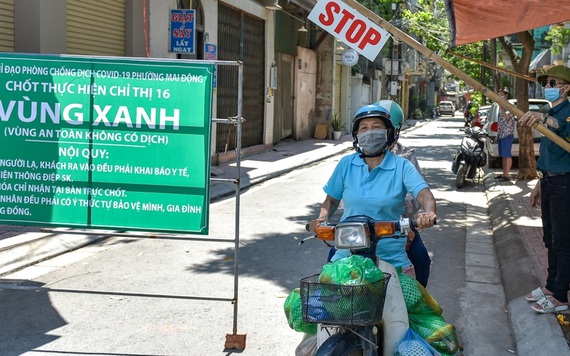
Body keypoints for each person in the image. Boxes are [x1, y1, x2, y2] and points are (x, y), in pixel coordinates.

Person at [308, 104, 437, 280]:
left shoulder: (402, 165)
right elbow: (331, 199)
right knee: (325, 302)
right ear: (357, 135)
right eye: (364, 128)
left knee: (412, 301)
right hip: (348, 254)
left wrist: (428, 212)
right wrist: (321, 219)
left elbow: (424, 194)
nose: (370, 132)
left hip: (392, 258)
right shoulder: (346, 164)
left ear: (389, 132)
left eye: (377, 127)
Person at [518, 65, 570, 314]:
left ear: (565, 87)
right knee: (549, 239)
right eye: (546, 83)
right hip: (550, 182)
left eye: (552, 83)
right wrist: (539, 183)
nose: (548, 87)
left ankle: (560, 295)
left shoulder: (565, 113)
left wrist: (543, 118)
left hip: (565, 184)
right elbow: (550, 154)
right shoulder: (550, 113)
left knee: (563, 240)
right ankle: (550, 287)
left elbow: (562, 129)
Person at [494, 88, 515, 181]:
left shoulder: (510, 105)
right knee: (503, 155)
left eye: (501, 94)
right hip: (502, 134)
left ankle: (507, 175)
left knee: (507, 155)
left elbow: (507, 116)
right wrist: (497, 135)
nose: (500, 96)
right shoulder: (500, 106)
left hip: (507, 134)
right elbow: (500, 122)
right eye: (498, 95)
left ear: (506, 95)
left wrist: (501, 106)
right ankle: (504, 174)